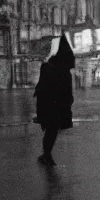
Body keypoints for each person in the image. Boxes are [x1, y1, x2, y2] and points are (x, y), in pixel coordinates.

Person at [34, 35, 75, 166]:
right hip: (58, 107)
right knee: (52, 130)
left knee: (50, 130)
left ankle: (46, 155)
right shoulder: (64, 71)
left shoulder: (48, 67)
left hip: (48, 106)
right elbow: (68, 92)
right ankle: (47, 155)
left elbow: (41, 89)